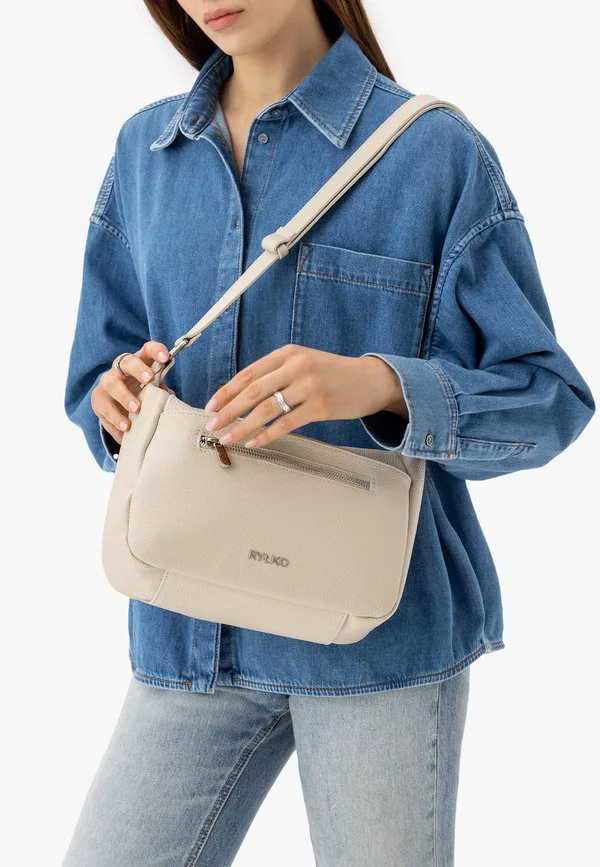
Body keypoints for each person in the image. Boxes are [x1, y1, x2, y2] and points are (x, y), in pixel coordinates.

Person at [61, 1, 595, 865]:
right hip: (189, 628)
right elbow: (96, 374)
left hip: (379, 643)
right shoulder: (145, 154)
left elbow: (549, 398)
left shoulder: (432, 153)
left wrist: (379, 384)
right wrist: (116, 401)